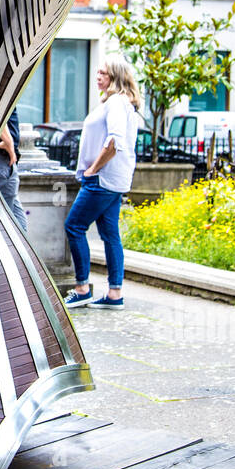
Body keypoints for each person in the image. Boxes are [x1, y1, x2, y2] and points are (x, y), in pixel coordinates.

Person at [63, 53, 141, 310]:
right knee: (110, 235)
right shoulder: (118, 102)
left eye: (103, 73)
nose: (98, 77)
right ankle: (114, 294)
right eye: (97, 72)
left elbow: (114, 141)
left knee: (74, 226)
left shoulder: (117, 103)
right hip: (114, 179)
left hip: (103, 178)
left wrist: (92, 169)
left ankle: (82, 288)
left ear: (115, 77)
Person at [0, 106, 27, 234]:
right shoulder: (0, 90)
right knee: (4, 221)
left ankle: (22, 253)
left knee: (17, 221)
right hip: (2, 160)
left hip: (4, 161)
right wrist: (9, 143)